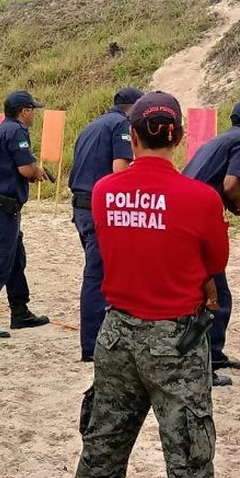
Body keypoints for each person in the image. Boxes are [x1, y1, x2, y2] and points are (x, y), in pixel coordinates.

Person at [74, 92, 229, 478]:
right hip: (176, 339)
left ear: (133, 136)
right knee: (189, 459)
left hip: (116, 335)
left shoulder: (104, 191)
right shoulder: (201, 198)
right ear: (178, 137)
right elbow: (215, 264)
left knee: (101, 453)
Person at [182, 97, 240, 386]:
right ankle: (205, 363)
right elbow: (230, 184)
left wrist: (234, 201)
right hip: (198, 219)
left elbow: (221, 185)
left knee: (212, 290)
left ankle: (214, 353)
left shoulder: (223, 138)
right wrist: (235, 198)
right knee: (214, 294)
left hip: (187, 212)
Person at [69, 88, 143, 361]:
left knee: (98, 273)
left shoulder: (92, 124)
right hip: (99, 208)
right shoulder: (121, 125)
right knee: (98, 276)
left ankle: (96, 341)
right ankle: (92, 346)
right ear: (132, 108)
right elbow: (120, 170)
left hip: (81, 205)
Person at [0, 91, 51, 338]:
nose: (34, 115)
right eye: (32, 110)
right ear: (24, 111)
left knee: (15, 259)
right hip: (2, 208)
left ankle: (19, 310)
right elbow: (25, 168)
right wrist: (37, 172)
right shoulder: (17, 131)